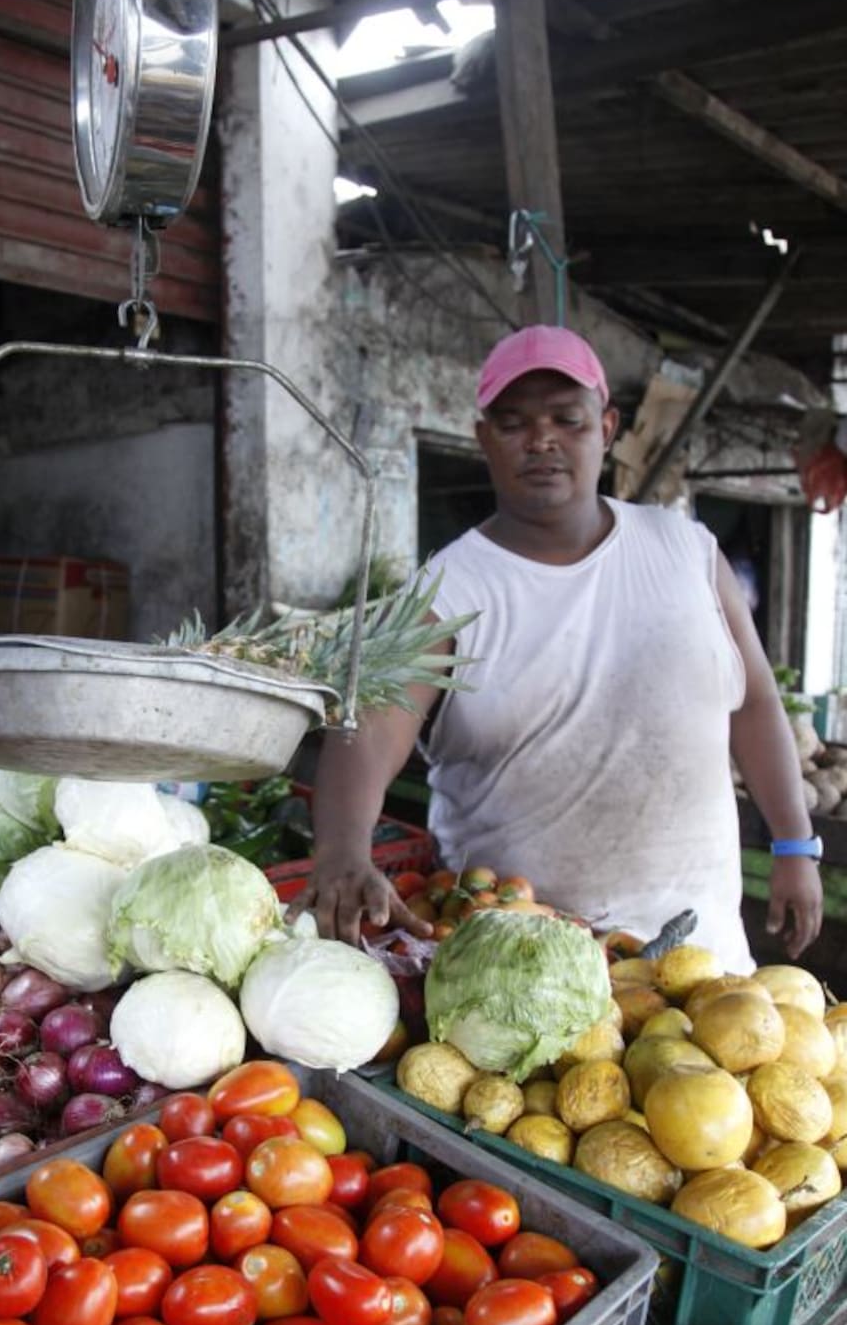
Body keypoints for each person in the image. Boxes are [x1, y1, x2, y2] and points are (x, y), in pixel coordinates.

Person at [298, 325, 822, 971]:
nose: (541, 440)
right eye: (514, 422)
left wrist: (796, 846)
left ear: (606, 427)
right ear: (482, 438)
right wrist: (343, 854)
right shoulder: (447, 590)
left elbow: (755, 705)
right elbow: (371, 730)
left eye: (566, 420)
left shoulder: (688, 552)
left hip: (698, 949)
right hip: (519, 967)